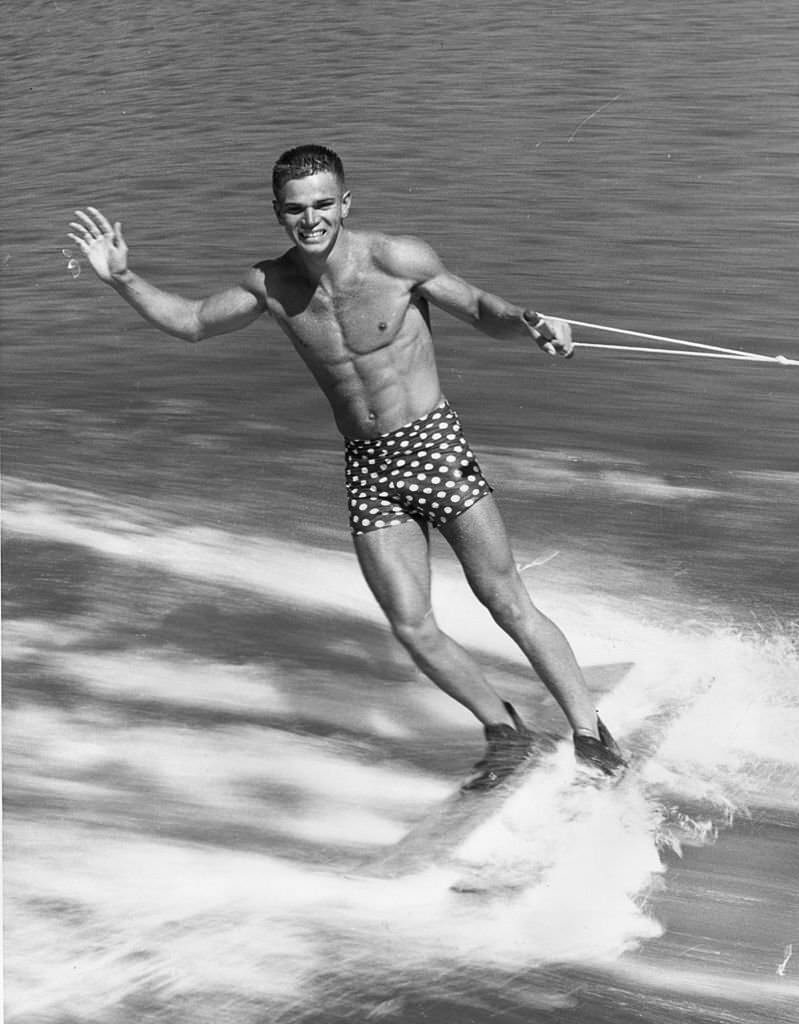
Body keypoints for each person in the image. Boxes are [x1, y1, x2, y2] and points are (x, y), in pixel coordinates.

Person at [68, 143, 625, 789]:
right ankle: (505, 730)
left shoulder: (397, 259)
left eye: (324, 204)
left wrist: (531, 324)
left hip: (433, 447)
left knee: (504, 599)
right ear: (278, 212)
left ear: (345, 203)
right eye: (297, 209)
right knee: (411, 625)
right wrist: (121, 279)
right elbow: (192, 322)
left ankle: (590, 734)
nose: (312, 219)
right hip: (368, 466)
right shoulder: (271, 285)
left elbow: (481, 310)